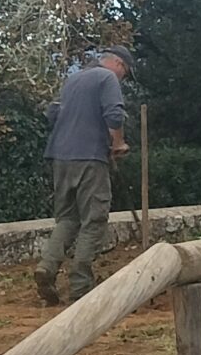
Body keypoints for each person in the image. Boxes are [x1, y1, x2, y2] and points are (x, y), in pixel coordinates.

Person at [36, 46, 131, 306]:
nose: (122, 78)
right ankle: (81, 286)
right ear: (118, 64)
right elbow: (114, 115)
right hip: (90, 157)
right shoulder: (107, 78)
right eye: (125, 73)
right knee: (94, 219)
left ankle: (47, 266)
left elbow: (53, 113)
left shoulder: (73, 78)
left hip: (60, 156)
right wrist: (118, 143)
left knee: (67, 218)